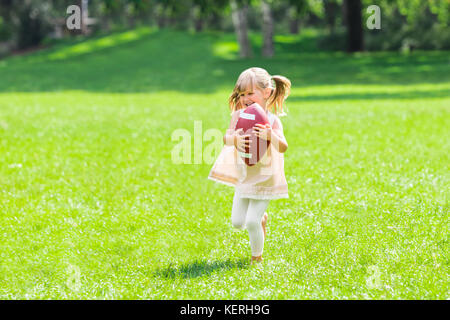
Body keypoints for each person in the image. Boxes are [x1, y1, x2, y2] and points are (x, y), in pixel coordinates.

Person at [208, 67, 291, 264]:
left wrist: (270, 135)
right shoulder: (238, 116)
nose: (245, 98)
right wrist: (234, 139)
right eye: (242, 94)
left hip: (266, 177)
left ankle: (257, 259)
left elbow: (284, 147)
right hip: (245, 175)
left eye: (250, 93)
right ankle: (262, 219)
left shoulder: (272, 121)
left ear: (267, 93)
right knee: (238, 223)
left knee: (252, 222)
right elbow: (226, 138)